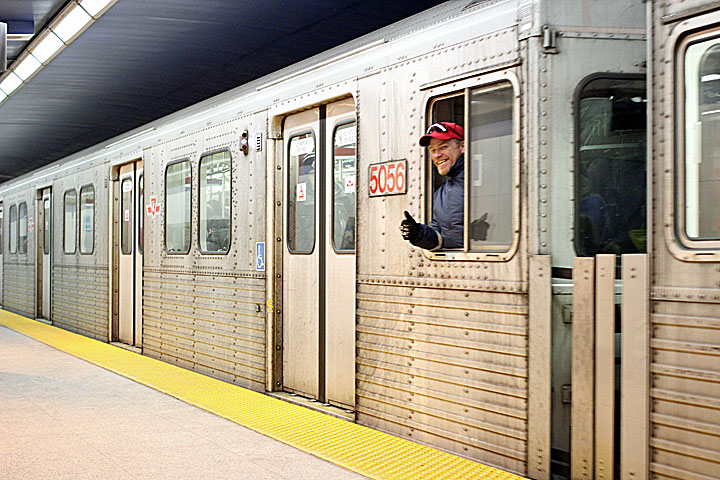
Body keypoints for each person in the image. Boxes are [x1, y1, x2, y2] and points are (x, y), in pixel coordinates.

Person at [400, 122, 488, 250]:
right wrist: (419, 234)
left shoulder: (487, 177)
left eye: (443, 147)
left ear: (462, 147)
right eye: (433, 150)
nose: (437, 155)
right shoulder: (441, 193)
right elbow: (440, 239)